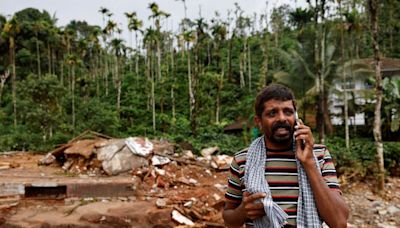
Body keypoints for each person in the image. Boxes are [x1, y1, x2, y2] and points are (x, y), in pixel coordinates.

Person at [223, 84, 349, 228]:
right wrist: (242, 212)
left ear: (296, 118)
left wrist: (308, 163)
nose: (282, 118)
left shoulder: (319, 155)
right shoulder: (242, 160)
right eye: (272, 113)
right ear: (258, 122)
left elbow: (339, 222)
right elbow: (228, 220)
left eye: (288, 112)